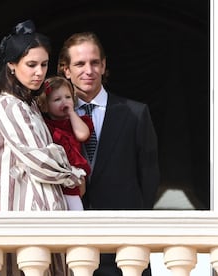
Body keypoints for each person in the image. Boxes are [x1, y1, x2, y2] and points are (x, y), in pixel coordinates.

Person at [0, 20, 85, 275]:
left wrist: (56, 156)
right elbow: (39, 160)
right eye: (31, 64)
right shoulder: (6, 105)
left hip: (41, 220)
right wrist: (71, 173)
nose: (39, 72)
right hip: (17, 221)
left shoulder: (32, 106)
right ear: (12, 66)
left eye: (44, 65)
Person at [57, 32, 160, 276]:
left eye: (94, 62)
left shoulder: (136, 114)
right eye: (80, 64)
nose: (88, 70)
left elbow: (149, 179)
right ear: (66, 70)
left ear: (104, 65)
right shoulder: (51, 118)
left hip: (124, 247)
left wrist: (135, 231)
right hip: (68, 244)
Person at [38, 76, 94, 210]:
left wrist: (71, 112)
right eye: (57, 99)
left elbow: (82, 135)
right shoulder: (45, 125)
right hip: (54, 178)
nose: (64, 101)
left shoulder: (76, 122)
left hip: (73, 178)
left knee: (75, 210)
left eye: (68, 97)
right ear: (45, 105)